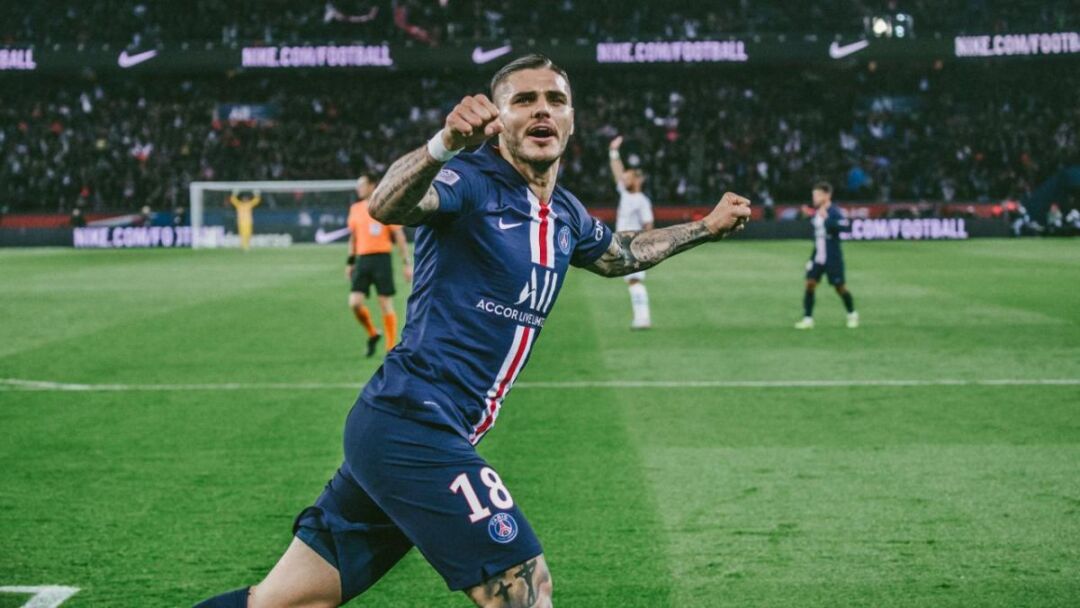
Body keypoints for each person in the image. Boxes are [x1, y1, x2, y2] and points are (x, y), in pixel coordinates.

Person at [196, 54, 750, 608]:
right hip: (411, 423)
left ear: (571, 120)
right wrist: (443, 145)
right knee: (524, 590)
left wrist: (705, 227)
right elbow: (386, 205)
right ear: (498, 119)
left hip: (415, 433)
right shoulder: (470, 181)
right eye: (523, 100)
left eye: (555, 100)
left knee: (284, 602)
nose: (541, 111)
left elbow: (618, 255)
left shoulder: (565, 213)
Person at [346, 173, 413, 357]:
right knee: (355, 303)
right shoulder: (355, 209)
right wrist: (350, 261)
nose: (359, 188)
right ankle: (373, 333)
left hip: (382, 259)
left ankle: (390, 349)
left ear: (372, 186)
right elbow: (353, 237)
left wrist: (406, 263)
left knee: (385, 303)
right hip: (362, 259)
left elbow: (399, 235)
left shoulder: (385, 205)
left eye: (362, 184)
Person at [795, 181, 858, 329]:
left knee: (839, 287)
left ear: (827, 196)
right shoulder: (817, 211)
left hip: (832, 256)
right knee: (810, 284)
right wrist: (806, 214)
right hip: (818, 255)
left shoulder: (834, 211)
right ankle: (808, 319)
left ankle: (852, 314)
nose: (814, 198)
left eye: (817, 195)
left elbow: (846, 226)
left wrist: (828, 219)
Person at [608, 136, 655, 329]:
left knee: (635, 280)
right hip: (623, 245)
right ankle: (641, 317)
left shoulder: (642, 201)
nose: (624, 179)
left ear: (637, 180)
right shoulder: (626, 194)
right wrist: (613, 152)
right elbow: (617, 171)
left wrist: (645, 247)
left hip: (635, 246)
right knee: (632, 281)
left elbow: (649, 225)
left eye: (628, 177)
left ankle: (643, 318)